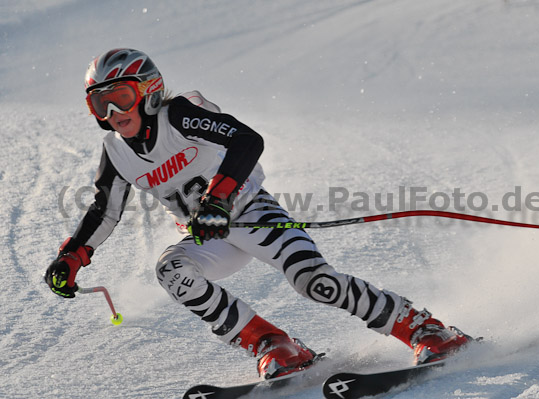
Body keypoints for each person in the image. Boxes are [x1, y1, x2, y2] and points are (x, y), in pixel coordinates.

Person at [45, 48, 471, 379]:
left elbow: (247, 141)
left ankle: (425, 330)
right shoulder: (117, 152)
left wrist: (218, 199)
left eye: (121, 98)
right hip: (210, 236)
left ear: (150, 90)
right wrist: (74, 255)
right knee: (172, 270)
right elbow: (105, 209)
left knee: (315, 282)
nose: (114, 115)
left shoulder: (178, 116)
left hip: (250, 212)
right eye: (100, 104)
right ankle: (273, 344)